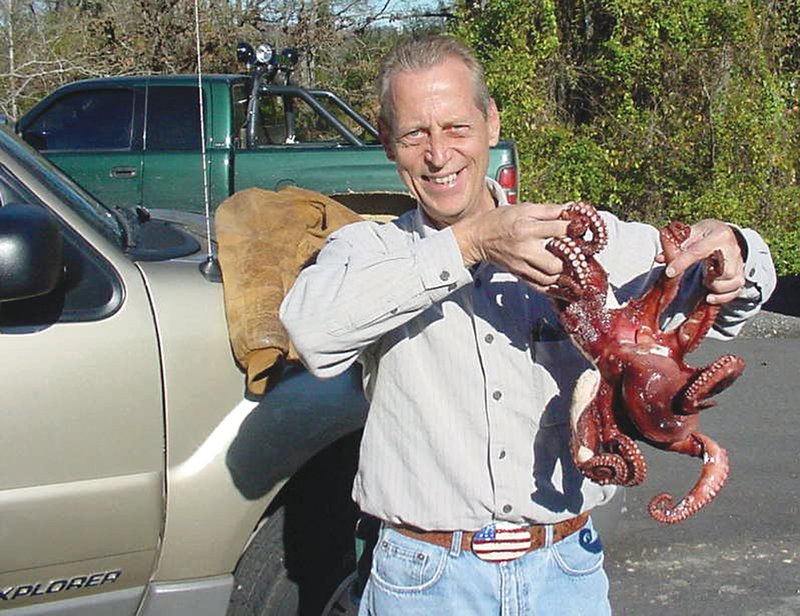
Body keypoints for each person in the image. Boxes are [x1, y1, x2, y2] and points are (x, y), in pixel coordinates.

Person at [279, 35, 776, 615]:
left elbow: (724, 291)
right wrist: (468, 245)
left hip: (564, 570)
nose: (439, 155)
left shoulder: (572, 236)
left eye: (457, 128)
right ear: (388, 142)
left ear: (492, 123)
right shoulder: (368, 250)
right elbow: (314, 333)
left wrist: (735, 249)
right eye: (416, 133)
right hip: (423, 580)